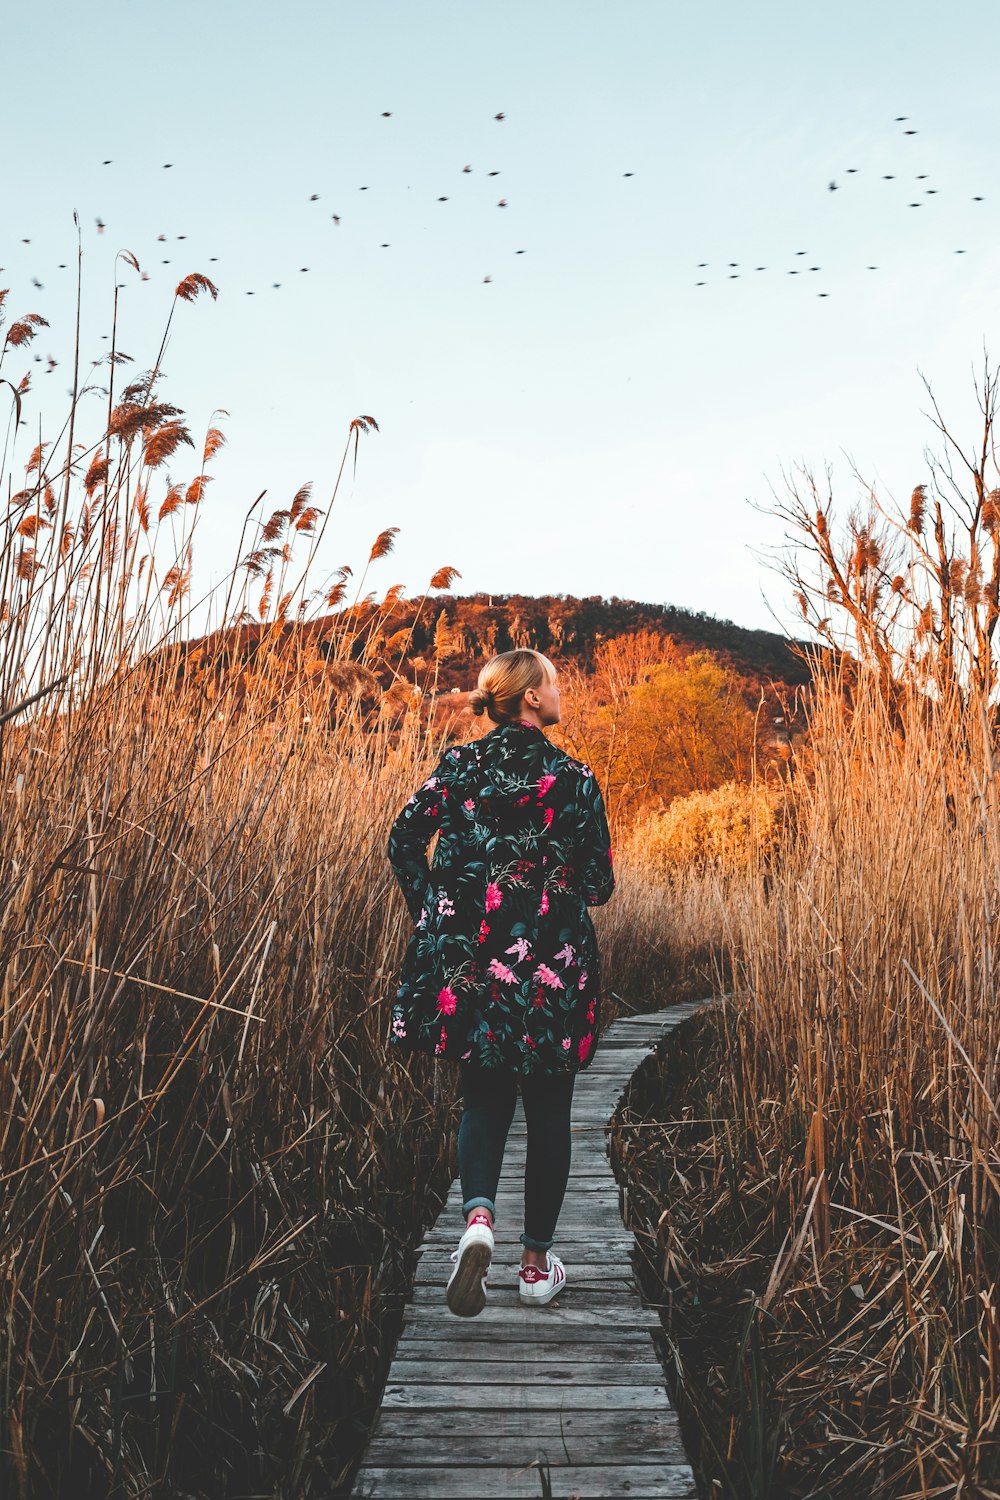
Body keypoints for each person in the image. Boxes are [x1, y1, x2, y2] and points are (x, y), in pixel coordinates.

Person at [386, 648, 615, 1317]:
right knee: (548, 1111)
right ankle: (537, 1267)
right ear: (532, 699)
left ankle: (479, 1219)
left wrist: (436, 912)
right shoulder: (574, 778)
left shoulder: (458, 767)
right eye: (554, 680)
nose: (561, 688)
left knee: (483, 1100)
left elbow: (403, 839)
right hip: (553, 962)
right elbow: (599, 885)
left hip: (473, 957)